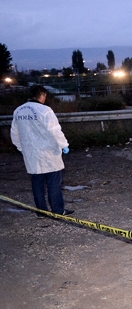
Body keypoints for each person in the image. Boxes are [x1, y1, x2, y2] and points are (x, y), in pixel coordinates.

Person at [11, 85, 74, 216]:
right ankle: (57, 210)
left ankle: (41, 211)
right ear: (42, 95)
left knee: (37, 183)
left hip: (31, 153)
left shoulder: (18, 111)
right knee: (53, 183)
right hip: (48, 152)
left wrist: (20, 148)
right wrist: (64, 144)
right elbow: (54, 130)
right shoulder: (45, 110)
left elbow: (14, 133)